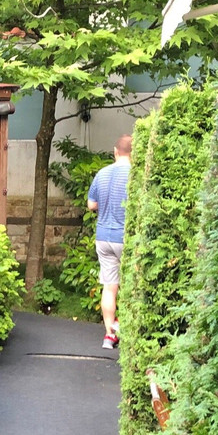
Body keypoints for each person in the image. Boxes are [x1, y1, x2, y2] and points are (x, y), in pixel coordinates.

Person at [87, 134, 132, 350]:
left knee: (109, 287)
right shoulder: (134, 175)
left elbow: (91, 205)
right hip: (124, 238)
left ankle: (109, 335)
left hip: (103, 237)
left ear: (115, 151)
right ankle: (126, 328)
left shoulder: (102, 173)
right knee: (131, 284)